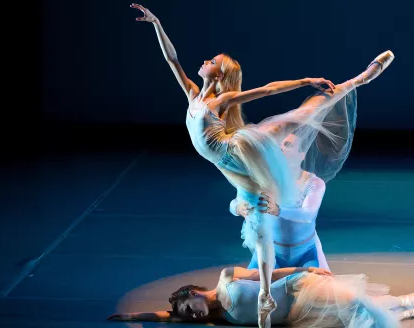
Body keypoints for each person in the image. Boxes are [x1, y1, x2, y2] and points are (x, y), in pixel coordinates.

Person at [130, 4, 394, 327]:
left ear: (220, 74)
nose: (204, 62)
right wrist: (157, 23)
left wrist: (305, 80)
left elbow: (266, 91)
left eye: (211, 62)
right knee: (254, 213)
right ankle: (266, 293)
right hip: (228, 165)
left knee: (295, 120)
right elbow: (172, 59)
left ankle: (357, 81)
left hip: (238, 151)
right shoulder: (193, 94)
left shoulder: (218, 102)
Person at [107, 266, 414, 328]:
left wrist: (306, 268)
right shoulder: (219, 318)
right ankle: (409, 310)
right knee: (350, 321)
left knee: (356, 303)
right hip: (296, 317)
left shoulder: (228, 278)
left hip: (299, 288)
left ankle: (409, 300)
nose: (194, 316)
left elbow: (269, 273)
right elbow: (167, 317)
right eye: (191, 316)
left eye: (191, 308)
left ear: (194, 293)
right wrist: (132, 317)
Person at [230, 133, 330, 270]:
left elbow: (308, 215)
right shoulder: (264, 178)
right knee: (243, 286)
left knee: (316, 287)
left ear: (302, 155)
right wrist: (238, 208)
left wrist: (278, 210)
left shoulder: (313, 183)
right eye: (279, 145)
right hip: (272, 251)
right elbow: (235, 202)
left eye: (287, 145)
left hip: (305, 253)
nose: (281, 148)